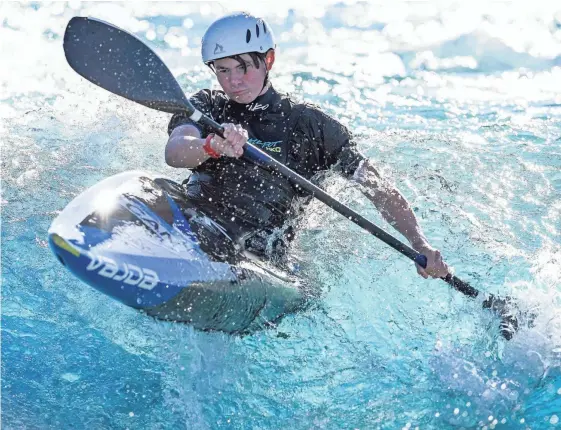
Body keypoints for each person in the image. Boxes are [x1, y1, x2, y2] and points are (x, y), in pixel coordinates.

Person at [165, 12, 449, 280]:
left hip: (257, 259)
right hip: (196, 228)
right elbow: (176, 151)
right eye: (223, 70)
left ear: (269, 60)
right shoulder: (207, 106)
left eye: (243, 67)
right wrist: (211, 145)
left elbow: (376, 186)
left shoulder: (310, 126)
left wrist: (419, 242)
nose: (233, 80)